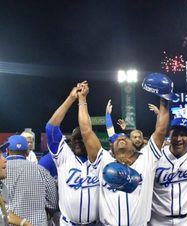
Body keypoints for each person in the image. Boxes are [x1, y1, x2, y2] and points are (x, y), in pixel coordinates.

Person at [77, 81, 169, 226]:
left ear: (134, 145)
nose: (121, 138)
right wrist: (82, 100)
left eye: (125, 138)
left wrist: (164, 98)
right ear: (111, 147)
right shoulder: (103, 159)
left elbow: (161, 130)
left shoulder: (147, 158)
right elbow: (86, 132)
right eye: (117, 138)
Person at [45, 81, 100, 226]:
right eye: (75, 138)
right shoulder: (64, 157)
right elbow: (51, 128)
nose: (78, 141)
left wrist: (83, 100)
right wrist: (71, 98)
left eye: (82, 138)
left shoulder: (102, 158)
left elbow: (87, 131)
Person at [4, 135, 58, 226]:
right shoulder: (41, 170)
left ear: (7, 151)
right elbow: (53, 204)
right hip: (36, 223)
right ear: (27, 152)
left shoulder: (2, 170)